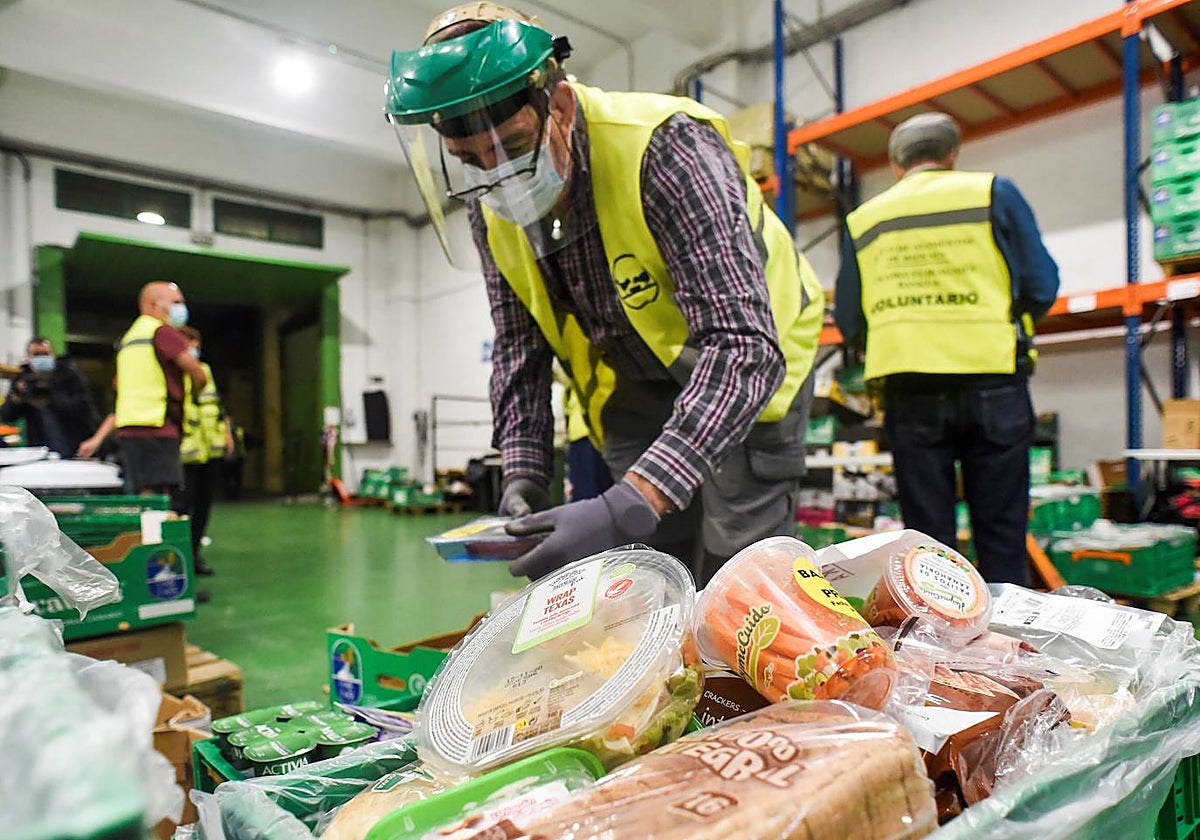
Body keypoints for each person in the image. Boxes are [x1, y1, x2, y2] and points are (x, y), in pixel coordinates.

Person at [385, 5, 826, 584]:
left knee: (738, 572)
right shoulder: (489, 206)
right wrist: (523, 472)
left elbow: (743, 347)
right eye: (471, 161)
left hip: (747, 365)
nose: (498, 176)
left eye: (513, 146)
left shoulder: (667, 148)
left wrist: (633, 499)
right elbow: (519, 346)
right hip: (632, 381)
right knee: (652, 568)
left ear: (561, 107)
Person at [834, 112, 1060, 586]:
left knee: (927, 544)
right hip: (992, 379)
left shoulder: (866, 218)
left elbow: (851, 320)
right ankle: (1006, 626)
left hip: (909, 389)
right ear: (952, 155)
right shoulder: (992, 193)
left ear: (896, 166)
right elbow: (1041, 284)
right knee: (1002, 534)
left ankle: (936, 628)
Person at [80, 282, 207, 499]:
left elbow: (118, 386)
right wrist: (196, 384)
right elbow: (197, 373)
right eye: (176, 302)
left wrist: (98, 437)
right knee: (164, 497)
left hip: (129, 431)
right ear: (154, 304)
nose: (181, 308)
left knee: (142, 494)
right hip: (159, 428)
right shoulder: (162, 332)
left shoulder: (129, 339)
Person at [176, 327, 232, 577]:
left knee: (204, 504)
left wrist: (227, 434)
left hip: (209, 450)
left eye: (196, 345)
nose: (194, 350)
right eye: (189, 344)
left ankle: (194, 553)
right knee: (182, 506)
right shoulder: (173, 372)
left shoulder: (205, 370)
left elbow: (216, 404)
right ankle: (179, 557)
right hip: (185, 452)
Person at [0, 337, 100, 458]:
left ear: (53, 355)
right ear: (28, 357)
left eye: (45, 354)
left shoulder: (68, 376)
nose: (41, 358)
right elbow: (7, 416)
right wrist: (16, 400)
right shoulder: (24, 379)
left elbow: (84, 409)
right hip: (40, 448)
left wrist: (51, 396)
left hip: (73, 444)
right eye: (36, 355)